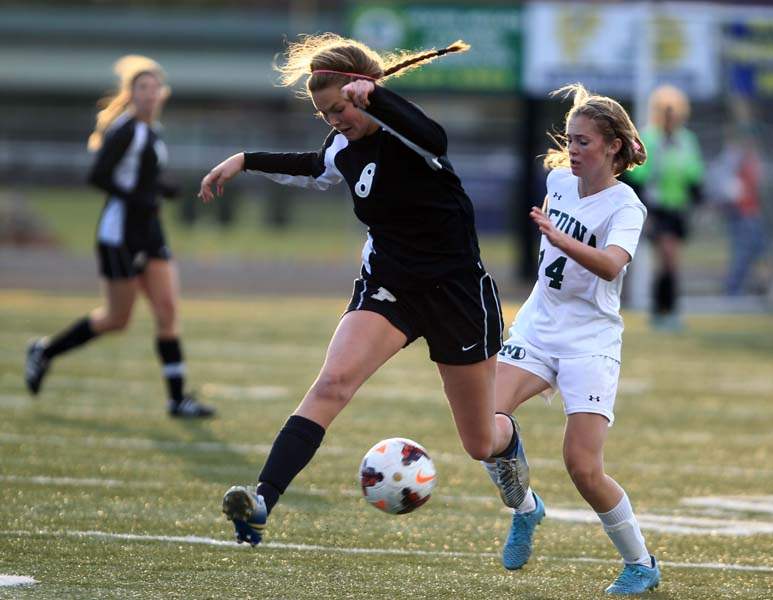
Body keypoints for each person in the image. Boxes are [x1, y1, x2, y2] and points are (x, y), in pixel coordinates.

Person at [198, 34, 513, 546]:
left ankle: (510, 448)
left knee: (481, 441)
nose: (334, 120)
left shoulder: (401, 130)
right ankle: (262, 502)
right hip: (390, 284)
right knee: (332, 383)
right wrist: (245, 159)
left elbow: (434, 139)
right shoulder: (343, 144)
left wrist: (379, 99)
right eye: (324, 113)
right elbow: (317, 168)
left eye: (340, 107)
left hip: (456, 292)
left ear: (363, 90)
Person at [481, 84, 660, 595]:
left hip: (591, 342)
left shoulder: (626, 206)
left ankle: (641, 564)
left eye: (584, 142)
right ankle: (525, 508)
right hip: (539, 328)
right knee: (483, 427)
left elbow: (609, 265)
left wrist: (562, 239)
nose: (573, 150)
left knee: (583, 468)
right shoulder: (559, 182)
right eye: (571, 139)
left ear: (613, 147)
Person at [24, 55, 214, 418]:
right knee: (117, 319)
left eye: (155, 87)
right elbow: (98, 175)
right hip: (120, 233)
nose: (149, 93)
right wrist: (140, 195)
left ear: (163, 94)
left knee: (168, 311)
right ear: (131, 94)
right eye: (142, 88)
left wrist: (162, 187)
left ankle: (177, 399)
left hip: (149, 230)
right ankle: (44, 352)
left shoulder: (151, 131)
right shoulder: (126, 129)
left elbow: (140, 177)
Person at [624, 84, 704, 331]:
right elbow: (636, 176)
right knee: (667, 256)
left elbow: (694, 173)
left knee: (671, 262)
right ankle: (664, 311)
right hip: (656, 208)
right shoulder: (649, 139)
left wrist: (697, 196)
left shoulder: (686, 140)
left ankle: (664, 311)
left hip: (677, 208)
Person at [708, 119, 766, 296]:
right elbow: (720, 182)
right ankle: (733, 289)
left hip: (752, 211)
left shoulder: (750, 158)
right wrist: (730, 196)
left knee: (757, 248)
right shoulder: (732, 157)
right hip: (741, 212)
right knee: (743, 250)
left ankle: (742, 286)